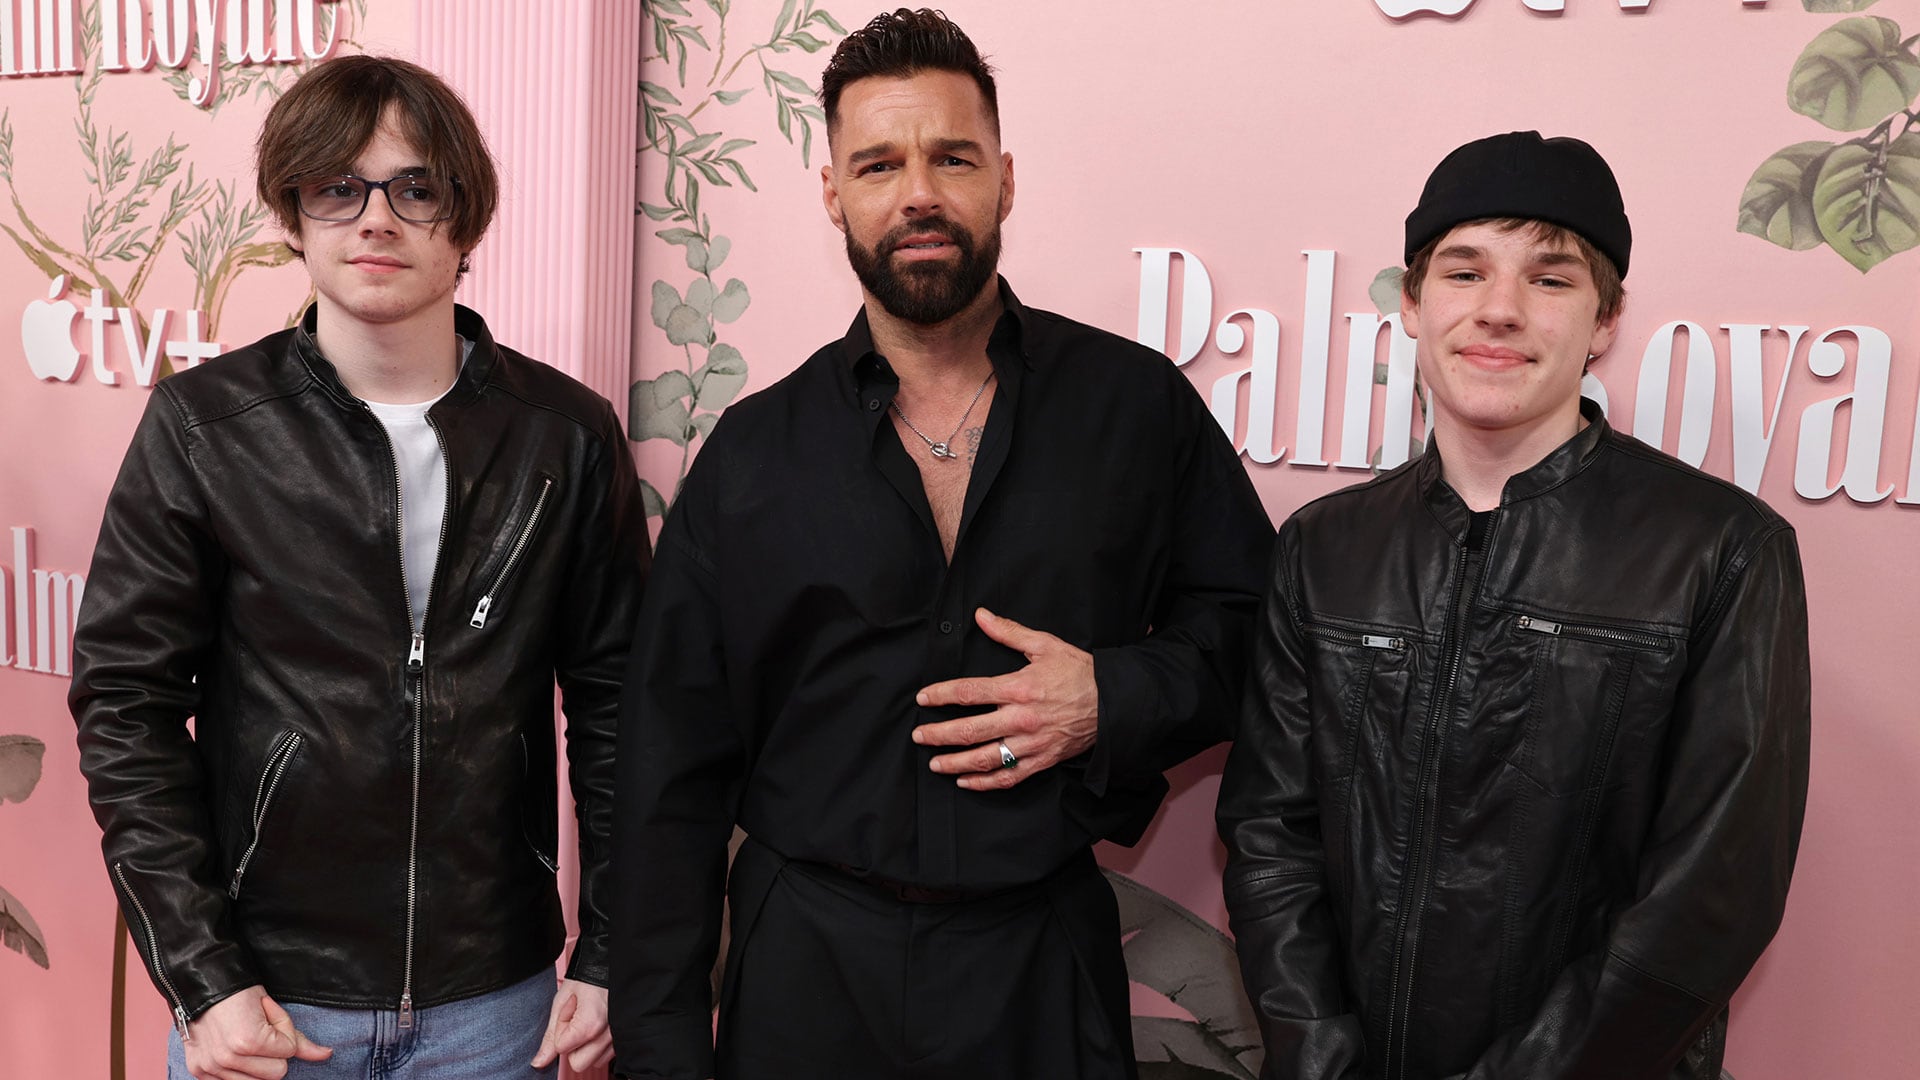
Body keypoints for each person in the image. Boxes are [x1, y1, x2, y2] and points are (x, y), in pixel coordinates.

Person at [608, 9, 1272, 1079]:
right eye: (879, 163)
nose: (919, 192)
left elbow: (1259, 639)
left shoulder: (1135, 408)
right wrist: (661, 1046)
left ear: (1004, 179)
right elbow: (666, 774)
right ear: (835, 194)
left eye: (952, 157)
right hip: (802, 972)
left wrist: (1114, 692)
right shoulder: (750, 454)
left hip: (1041, 967)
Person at [70, 55, 648, 1080]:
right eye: (338, 187)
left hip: (497, 1005)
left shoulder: (565, 436)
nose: (375, 218)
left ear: (465, 219)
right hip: (268, 1005)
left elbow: (620, 713)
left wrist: (609, 954)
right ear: (292, 215)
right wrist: (204, 980)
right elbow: (126, 707)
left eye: (415, 187)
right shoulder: (206, 430)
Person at [1217, 130, 1811, 1080]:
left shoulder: (1724, 553)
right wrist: (1321, 1060)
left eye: (1550, 278)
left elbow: (1712, 899)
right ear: (1412, 304)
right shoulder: (1323, 549)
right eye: (1464, 271)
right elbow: (1268, 837)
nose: (1499, 311)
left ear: (1605, 320)